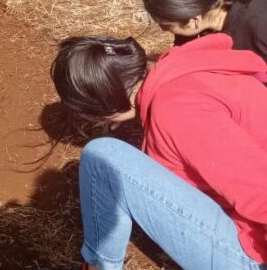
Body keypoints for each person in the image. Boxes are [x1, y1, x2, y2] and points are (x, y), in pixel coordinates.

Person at [50, 33, 267, 270]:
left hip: (254, 254)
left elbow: (261, 191)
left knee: (102, 157)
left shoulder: (178, 110)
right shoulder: (183, 70)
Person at [143, 0, 267, 62]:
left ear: (194, 21)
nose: (163, 30)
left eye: (165, 25)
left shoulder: (259, 25)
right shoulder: (199, 3)